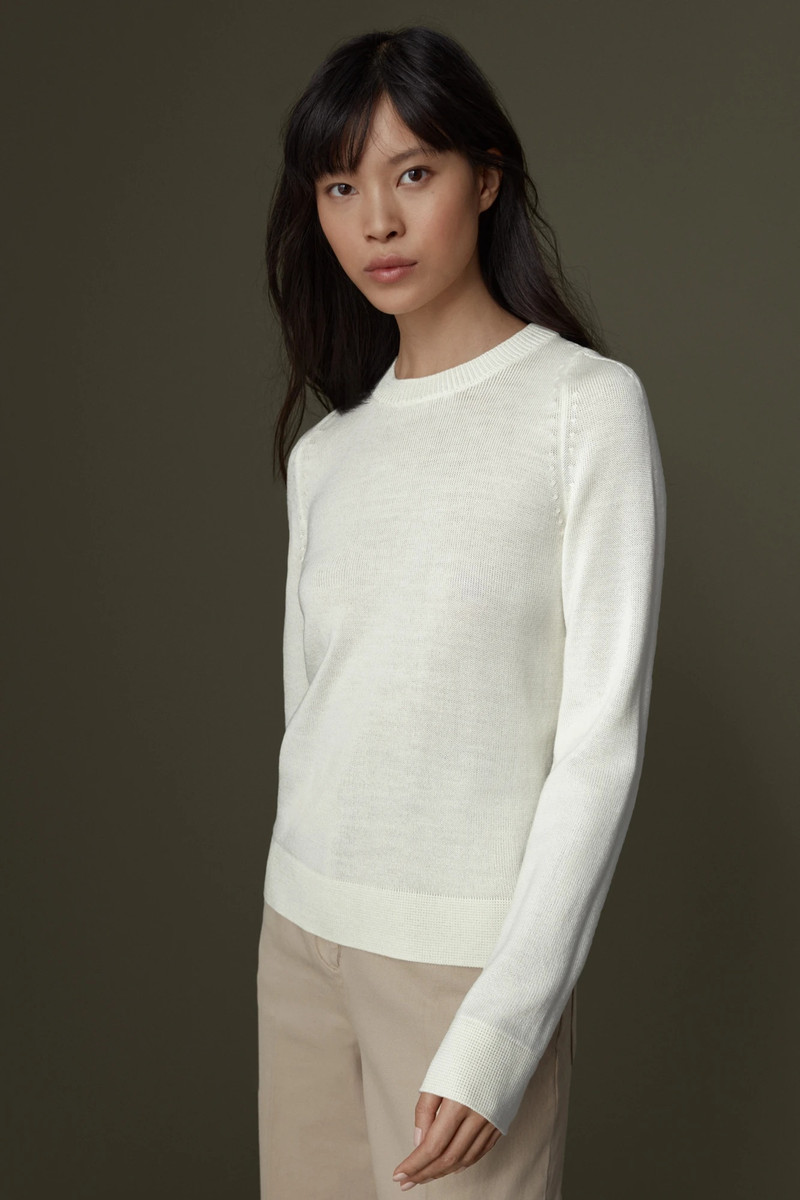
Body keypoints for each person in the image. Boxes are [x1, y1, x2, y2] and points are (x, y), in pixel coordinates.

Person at [257, 23, 666, 1200]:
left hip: (463, 968)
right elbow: (311, 719)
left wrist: (505, 1024)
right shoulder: (326, 458)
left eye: (412, 173)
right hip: (299, 943)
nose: (376, 222)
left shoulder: (581, 408)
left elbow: (597, 748)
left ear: (484, 179)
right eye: (340, 187)